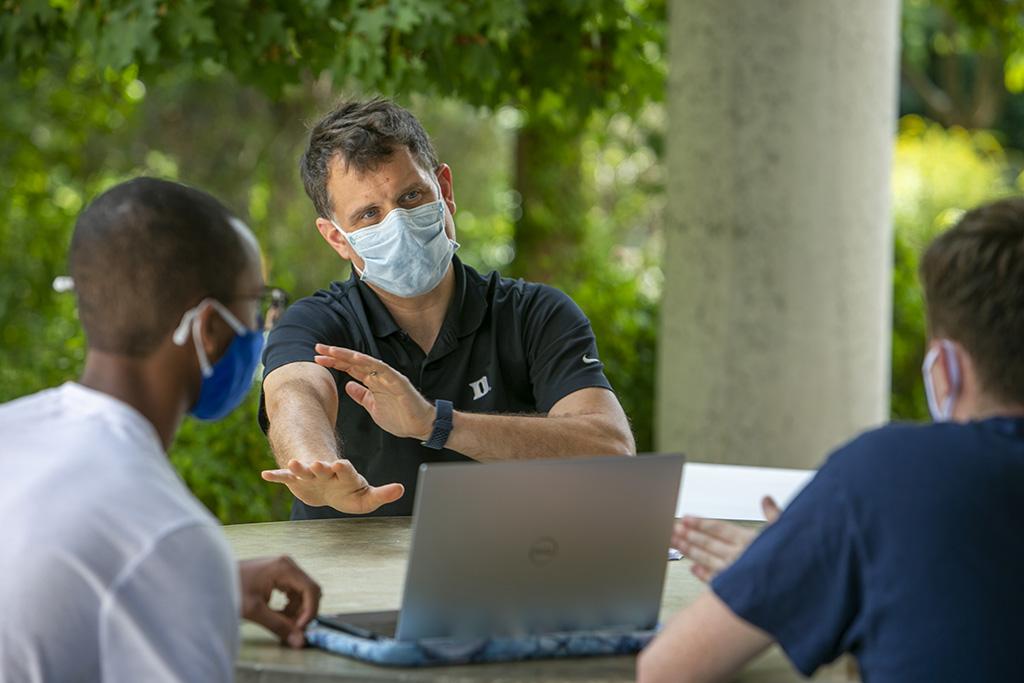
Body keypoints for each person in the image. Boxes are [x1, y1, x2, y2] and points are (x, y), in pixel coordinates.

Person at [638, 197, 1024, 683]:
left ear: (944, 368)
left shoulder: (884, 478)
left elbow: (666, 670)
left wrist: (784, 581)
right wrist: (791, 569)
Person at [0, 178, 321, 682]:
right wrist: (187, 574)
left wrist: (200, 586)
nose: (262, 324)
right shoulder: (166, 537)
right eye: (255, 305)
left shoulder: (11, 434)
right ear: (210, 329)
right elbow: (139, 554)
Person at [259, 98, 635, 519]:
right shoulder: (314, 323)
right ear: (336, 238)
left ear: (445, 190)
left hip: (509, 569)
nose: (397, 223)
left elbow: (610, 449)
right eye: (369, 214)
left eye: (411, 195)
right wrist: (316, 468)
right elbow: (295, 392)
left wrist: (437, 423)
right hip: (355, 578)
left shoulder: (535, 314)